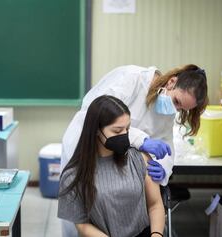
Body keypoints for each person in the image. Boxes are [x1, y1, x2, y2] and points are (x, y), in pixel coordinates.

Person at [62, 64, 208, 186]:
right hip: (87, 146)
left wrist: (163, 169)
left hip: (118, 165)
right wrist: (142, 140)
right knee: (81, 210)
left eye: (182, 109)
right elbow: (104, 118)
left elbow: (166, 144)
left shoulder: (168, 107)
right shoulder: (132, 79)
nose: (175, 109)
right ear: (171, 82)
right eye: (177, 102)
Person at [58, 95, 165, 237]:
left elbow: (155, 204)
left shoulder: (139, 158)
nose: (125, 135)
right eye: (117, 131)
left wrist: (157, 234)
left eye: (127, 129)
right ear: (96, 130)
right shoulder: (73, 175)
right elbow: (82, 225)